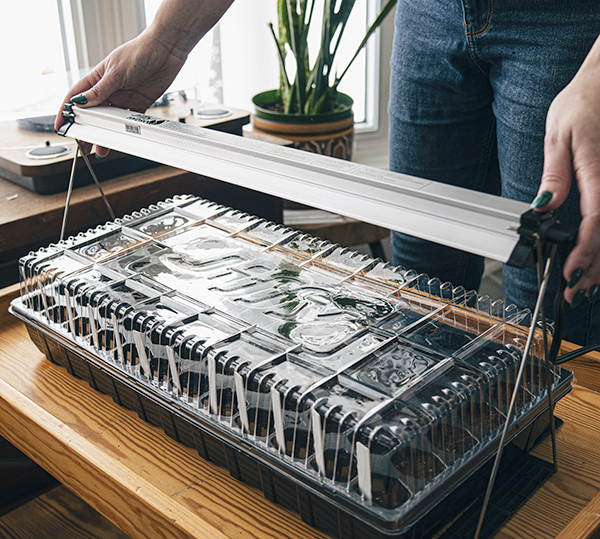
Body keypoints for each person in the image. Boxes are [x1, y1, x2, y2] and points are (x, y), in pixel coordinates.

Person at [56, 0, 600, 346]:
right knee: (417, 283)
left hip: (570, 22)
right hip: (430, 11)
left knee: (552, 301)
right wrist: (165, 41)